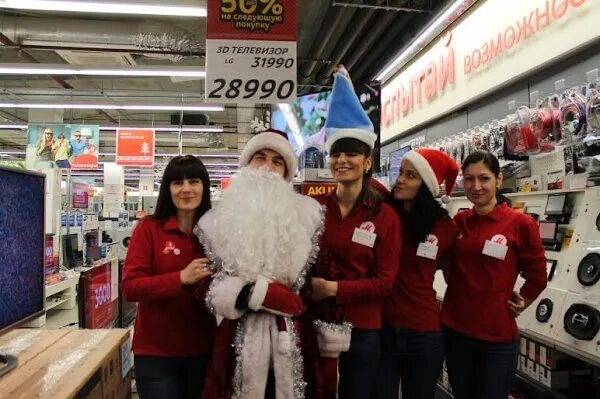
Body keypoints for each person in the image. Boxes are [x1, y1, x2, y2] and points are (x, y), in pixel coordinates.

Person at [196, 129, 324, 399]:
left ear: (287, 172)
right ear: (247, 164)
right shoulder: (214, 222)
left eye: (278, 161)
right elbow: (204, 284)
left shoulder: (310, 216)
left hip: (292, 335)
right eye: (260, 157)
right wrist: (250, 293)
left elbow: (319, 274)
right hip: (237, 336)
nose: (268, 167)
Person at [309, 66, 401, 399]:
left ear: (367, 162)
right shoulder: (317, 211)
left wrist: (332, 288)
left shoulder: (384, 216)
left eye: (351, 154)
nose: (342, 160)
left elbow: (385, 283)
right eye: (336, 153)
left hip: (363, 330)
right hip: (320, 324)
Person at [441, 150, 548, 399]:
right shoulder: (459, 221)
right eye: (468, 179)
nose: (476, 186)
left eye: (484, 178)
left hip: (496, 337)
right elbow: (444, 257)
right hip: (456, 330)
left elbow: (538, 275)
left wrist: (523, 302)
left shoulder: (520, 224)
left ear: (498, 179)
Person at [122, 155, 216, 399]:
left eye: (194, 181)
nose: (186, 189)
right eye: (177, 183)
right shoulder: (149, 229)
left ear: (204, 187)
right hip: (156, 354)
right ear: (168, 189)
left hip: (203, 349)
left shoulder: (215, 233)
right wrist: (181, 278)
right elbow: (131, 287)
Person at [376, 148, 459, 399]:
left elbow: (455, 277)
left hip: (424, 333)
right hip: (382, 329)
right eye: (400, 172)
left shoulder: (445, 227)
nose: (400, 179)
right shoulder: (384, 216)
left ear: (427, 185)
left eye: (410, 175)